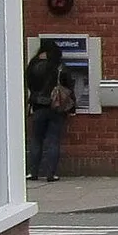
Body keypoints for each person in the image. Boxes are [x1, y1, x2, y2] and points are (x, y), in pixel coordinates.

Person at [25, 38, 73, 182]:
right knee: (53, 140)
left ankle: (33, 173)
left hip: (38, 107)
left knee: (36, 140)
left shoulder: (33, 65)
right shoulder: (59, 66)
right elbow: (69, 85)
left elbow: (29, 85)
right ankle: (51, 174)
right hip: (55, 107)